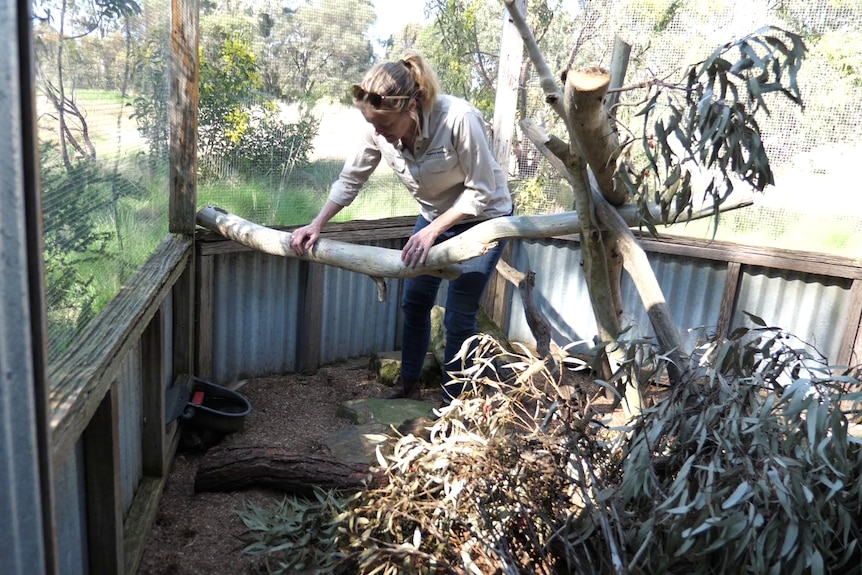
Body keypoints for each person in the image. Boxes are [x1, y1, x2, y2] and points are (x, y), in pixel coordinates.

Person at [289, 50, 512, 405]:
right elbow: (351, 179)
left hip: (484, 218)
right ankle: (408, 382)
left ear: (411, 106)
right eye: (373, 125)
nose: (378, 133)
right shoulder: (378, 128)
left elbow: (482, 191)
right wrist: (317, 224)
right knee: (415, 302)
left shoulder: (458, 118)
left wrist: (433, 230)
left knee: (458, 315)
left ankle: (451, 402)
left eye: (385, 126)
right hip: (433, 217)